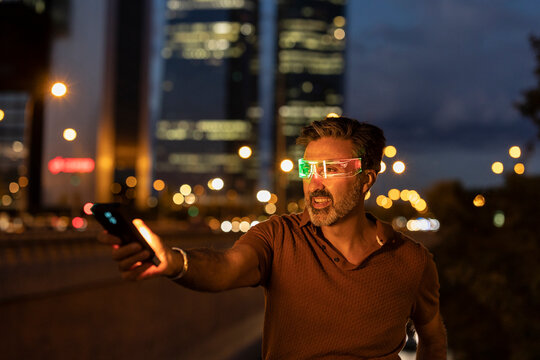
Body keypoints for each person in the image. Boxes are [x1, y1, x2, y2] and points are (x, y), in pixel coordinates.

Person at [98, 116, 447, 359]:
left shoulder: (412, 260)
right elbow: (227, 267)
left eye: (332, 170)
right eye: (308, 169)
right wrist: (174, 261)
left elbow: (433, 338)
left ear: (366, 179)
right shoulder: (279, 237)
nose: (315, 182)